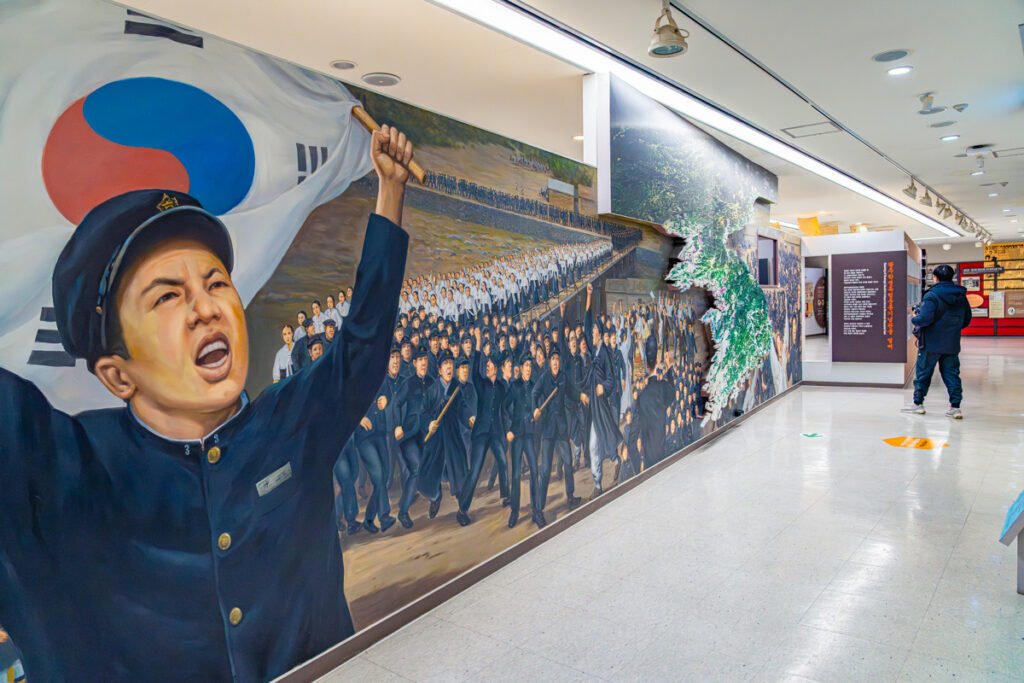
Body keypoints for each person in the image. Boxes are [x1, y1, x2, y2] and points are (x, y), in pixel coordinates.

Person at [0, 124, 414, 682]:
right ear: (116, 375)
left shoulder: (291, 421)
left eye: (216, 283)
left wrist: (390, 191)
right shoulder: (62, 469)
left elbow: (363, 342)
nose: (206, 309)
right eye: (167, 296)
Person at [903, 264, 972, 419]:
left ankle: (918, 404)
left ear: (935, 278)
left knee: (923, 373)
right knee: (952, 374)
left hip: (930, 343)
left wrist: (914, 318)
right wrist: (951, 329)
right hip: (951, 343)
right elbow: (967, 319)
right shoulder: (961, 296)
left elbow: (924, 319)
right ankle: (955, 407)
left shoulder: (931, 295)